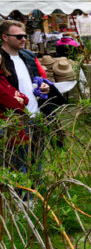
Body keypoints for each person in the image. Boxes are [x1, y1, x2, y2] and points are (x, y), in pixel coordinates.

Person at [0, 19, 61, 171]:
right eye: (19, 36)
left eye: (24, 36)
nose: (23, 39)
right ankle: (21, 195)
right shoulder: (1, 60)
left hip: (36, 117)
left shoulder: (28, 56)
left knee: (36, 164)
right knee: (17, 166)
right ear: (5, 37)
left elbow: (37, 79)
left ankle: (35, 193)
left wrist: (44, 87)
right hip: (15, 121)